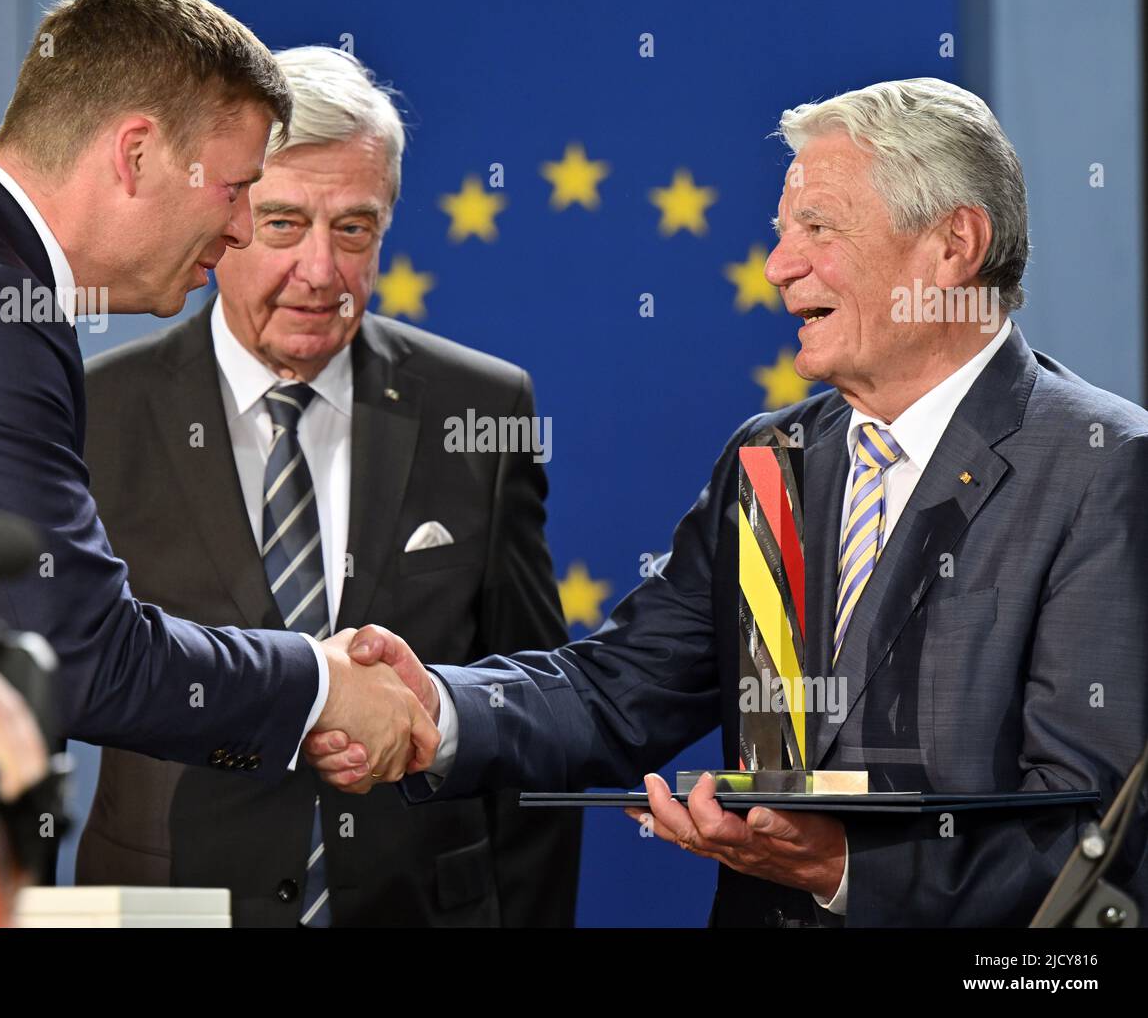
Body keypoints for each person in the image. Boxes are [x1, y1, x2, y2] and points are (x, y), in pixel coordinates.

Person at [307, 78, 1148, 927]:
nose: (781, 266)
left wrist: (842, 866)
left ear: (953, 245)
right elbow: (619, 686)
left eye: (817, 228)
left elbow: (1095, 831)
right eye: (783, 234)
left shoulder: (1103, 467)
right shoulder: (774, 458)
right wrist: (435, 708)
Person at [0, 0, 436, 797]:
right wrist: (323, 682)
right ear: (135, 153)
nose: (237, 229)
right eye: (235, 190)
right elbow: (79, 653)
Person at [73, 47, 581, 927]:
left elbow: (529, 711)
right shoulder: (95, 410)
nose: (320, 271)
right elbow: (28, 697)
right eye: (281, 223)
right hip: (166, 902)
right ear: (224, 218)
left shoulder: (484, 406)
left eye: (353, 229)